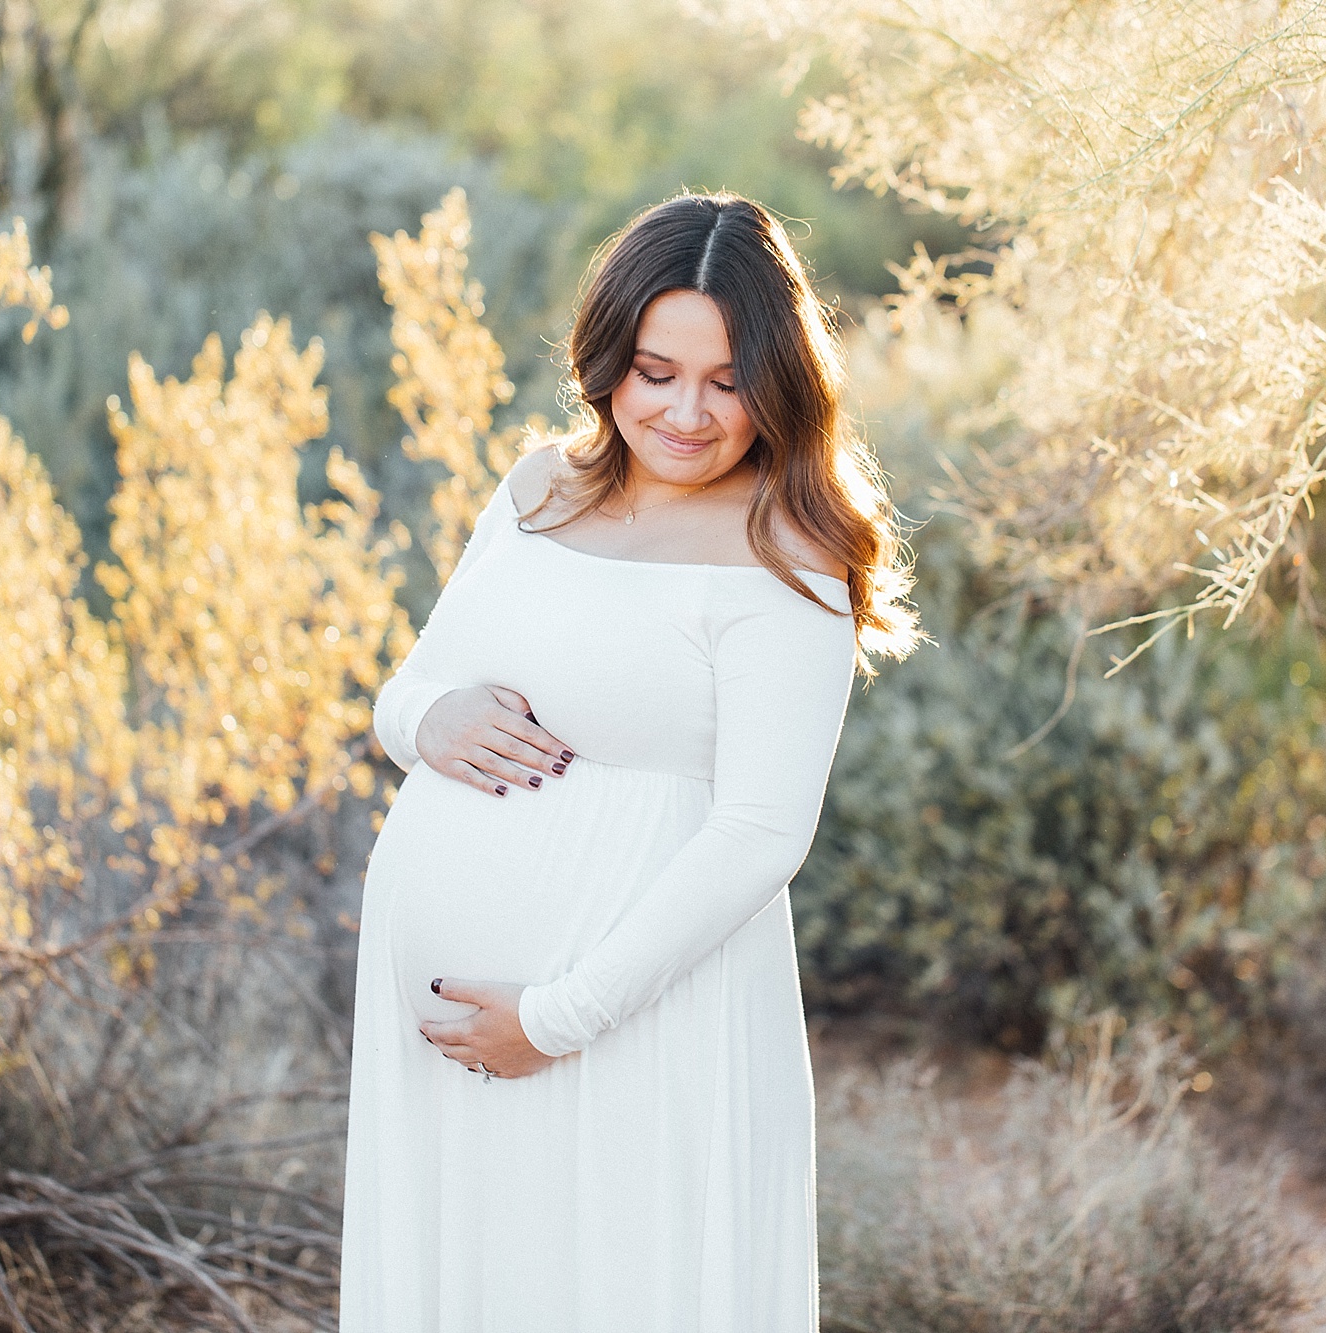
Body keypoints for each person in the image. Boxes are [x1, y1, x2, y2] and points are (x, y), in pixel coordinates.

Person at [338, 191, 918, 1331]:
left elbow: (761, 830)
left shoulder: (786, 557)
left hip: (629, 1024)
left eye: (725, 378)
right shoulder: (535, 491)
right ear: (608, 362)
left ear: (780, 380)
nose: (686, 413)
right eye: (656, 371)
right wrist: (427, 720)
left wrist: (555, 1017)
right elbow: (405, 691)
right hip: (443, 1040)